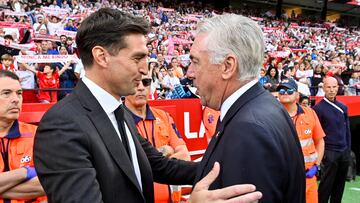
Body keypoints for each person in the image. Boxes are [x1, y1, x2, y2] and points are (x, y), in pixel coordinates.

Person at [34, 8, 262, 203]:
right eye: (137, 58)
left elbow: (160, 167)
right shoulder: (62, 125)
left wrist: (227, 170)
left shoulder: (118, 111)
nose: (145, 69)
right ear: (101, 57)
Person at [187, 14, 305, 203]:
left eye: (195, 61)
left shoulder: (248, 129)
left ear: (227, 66)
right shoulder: (263, 105)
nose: (189, 73)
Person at [125, 75, 190, 203]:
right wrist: (166, 151)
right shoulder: (117, 121)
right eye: (136, 82)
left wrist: (152, 160)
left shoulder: (164, 116)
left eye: (146, 82)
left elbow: (185, 156)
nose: (141, 87)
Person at [0, 70, 46, 202]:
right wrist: (25, 172)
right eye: (6, 93)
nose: (16, 99)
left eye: (19, 93)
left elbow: (50, 182)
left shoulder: (39, 135)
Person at [277, 78, 325, 203]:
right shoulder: (271, 115)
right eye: (281, 91)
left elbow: (320, 141)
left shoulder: (310, 113)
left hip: (307, 176)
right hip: (282, 177)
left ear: (297, 95)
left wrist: (317, 166)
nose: (285, 93)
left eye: (289, 90)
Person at [313, 77, 352, 203]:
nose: (331, 90)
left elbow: (347, 131)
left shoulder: (343, 107)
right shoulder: (318, 108)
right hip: (329, 152)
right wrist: (322, 155)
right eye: (328, 87)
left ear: (338, 87)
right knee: (325, 186)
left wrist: (348, 151)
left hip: (343, 152)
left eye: (334, 87)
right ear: (323, 88)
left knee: (339, 187)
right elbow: (317, 135)